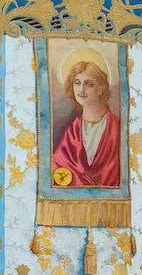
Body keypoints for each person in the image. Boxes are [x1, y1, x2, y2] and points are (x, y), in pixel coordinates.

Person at [50, 49, 122, 188]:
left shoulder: (116, 128)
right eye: (77, 82)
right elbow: (57, 168)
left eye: (89, 84)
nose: (81, 89)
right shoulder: (72, 130)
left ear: (100, 89)